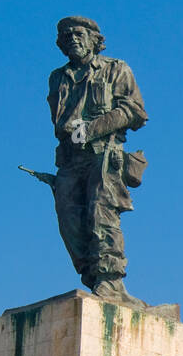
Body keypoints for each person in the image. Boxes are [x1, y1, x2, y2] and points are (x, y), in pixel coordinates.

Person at [47, 16, 148, 307]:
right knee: (69, 220)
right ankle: (92, 276)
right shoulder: (58, 77)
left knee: (101, 214)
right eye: (66, 37)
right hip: (70, 159)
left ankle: (110, 280)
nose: (72, 40)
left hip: (104, 154)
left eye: (78, 34)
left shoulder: (116, 69)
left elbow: (135, 111)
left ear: (94, 39)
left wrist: (91, 129)